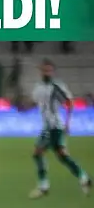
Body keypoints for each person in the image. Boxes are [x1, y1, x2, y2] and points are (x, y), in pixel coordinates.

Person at [28, 59, 90, 199]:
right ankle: (83, 177)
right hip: (48, 126)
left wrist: (68, 122)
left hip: (54, 126)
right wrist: (25, 106)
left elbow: (69, 102)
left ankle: (43, 186)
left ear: (53, 72)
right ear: (41, 71)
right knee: (61, 156)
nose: (47, 73)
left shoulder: (56, 87)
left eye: (49, 70)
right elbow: (35, 103)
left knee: (38, 152)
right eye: (45, 70)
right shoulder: (38, 88)